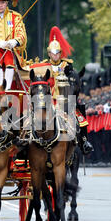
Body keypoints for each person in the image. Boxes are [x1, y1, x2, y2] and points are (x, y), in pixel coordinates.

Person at [42, 26, 93, 155]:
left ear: (60, 53)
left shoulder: (67, 66)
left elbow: (74, 85)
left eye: (57, 53)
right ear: (49, 53)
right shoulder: (43, 66)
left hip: (63, 102)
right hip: (47, 101)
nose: (55, 55)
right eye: (52, 53)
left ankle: (84, 141)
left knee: (80, 118)